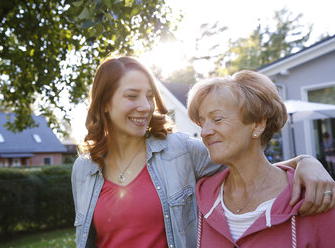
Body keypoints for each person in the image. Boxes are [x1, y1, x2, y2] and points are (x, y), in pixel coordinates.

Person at [72, 56, 335, 248]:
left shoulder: (180, 151)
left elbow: (247, 163)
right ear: (105, 103)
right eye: (132, 96)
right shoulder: (83, 171)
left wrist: (305, 161)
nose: (145, 106)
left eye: (150, 96)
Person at [188, 70, 335, 247]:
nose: (204, 132)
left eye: (217, 119)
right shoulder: (201, 195)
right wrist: (303, 160)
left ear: (258, 124)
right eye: (202, 122)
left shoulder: (314, 197)